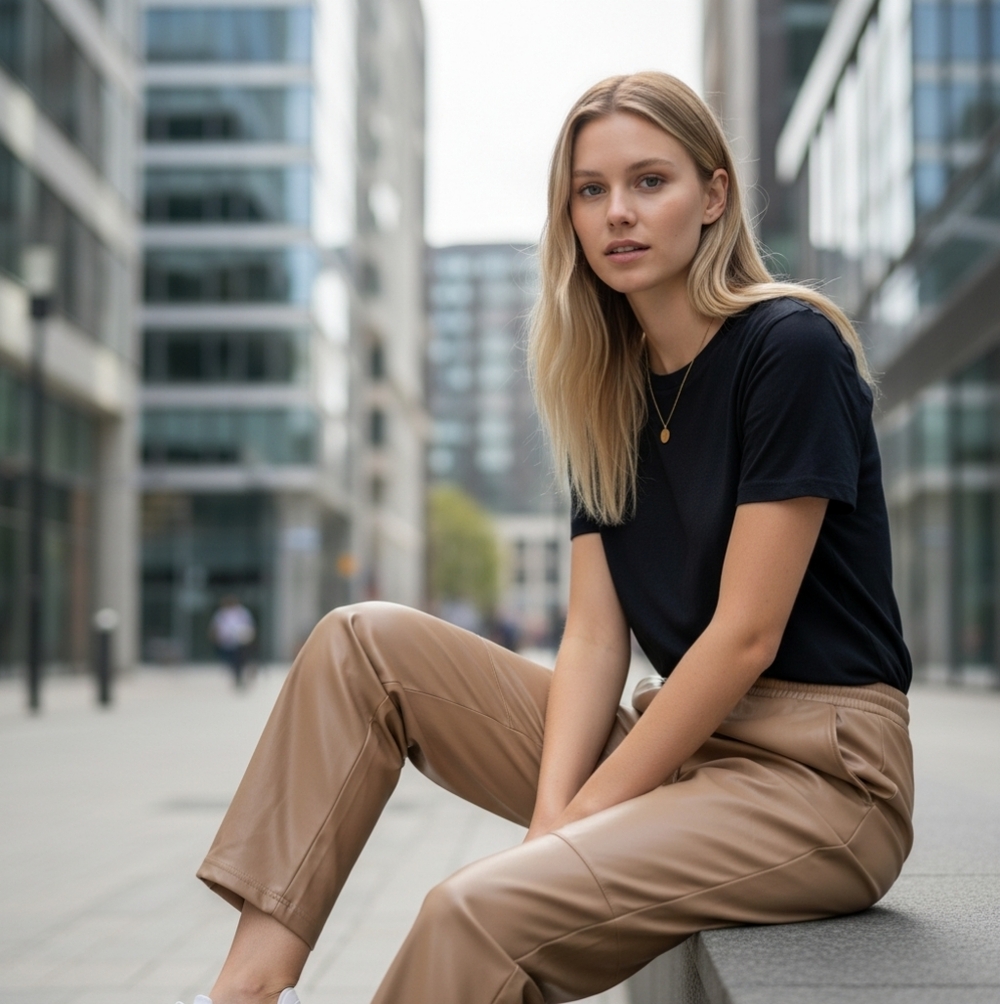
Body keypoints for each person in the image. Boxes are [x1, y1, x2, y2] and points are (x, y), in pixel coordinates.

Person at [177, 72, 913, 1004]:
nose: (619, 214)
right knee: (360, 645)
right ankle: (246, 985)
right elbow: (595, 638)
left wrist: (573, 829)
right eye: (590, 191)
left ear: (714, 195)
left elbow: (744, 637)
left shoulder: (790, 349)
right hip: (686, 745)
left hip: (821, 782)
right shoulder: (604, 387)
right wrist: (553, 821)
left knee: (471, 909)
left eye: (652, 182)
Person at [209, 596, 256, 688]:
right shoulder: (221, 613)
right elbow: (215, 627)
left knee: (238, 660)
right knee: (229, 661)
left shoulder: (242, 613)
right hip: (225, 643)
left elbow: (249, 626)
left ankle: (240, 676)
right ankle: (238, 673)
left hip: (239, 642)